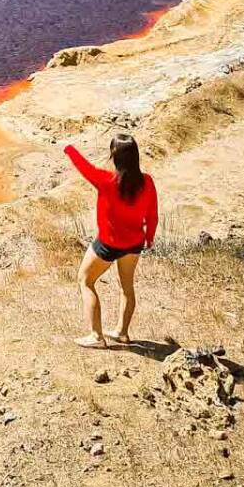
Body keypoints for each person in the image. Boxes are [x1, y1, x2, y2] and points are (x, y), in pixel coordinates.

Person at [64, 134, 158, 348]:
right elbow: (153, 214)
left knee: (85, 280)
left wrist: (69, 148)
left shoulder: (106, 181)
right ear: (135, 156)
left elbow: (84, 167)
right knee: (127, 287)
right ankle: (122, 332)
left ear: (114, 156)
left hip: (108, 244)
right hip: (135, 243)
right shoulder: (147, 182)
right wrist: (149, 237)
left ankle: (96, 337)